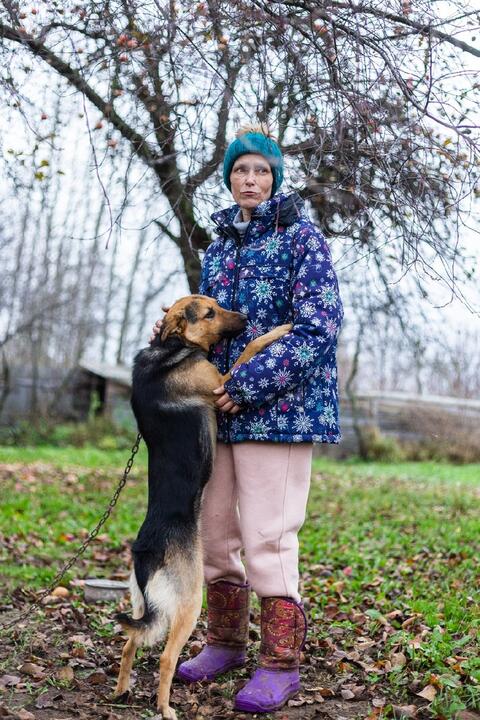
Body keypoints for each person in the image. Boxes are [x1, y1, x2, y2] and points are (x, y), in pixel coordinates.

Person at [152, 124, 343, 713]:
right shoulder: (222, 246)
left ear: (275, 177)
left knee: (267, 538)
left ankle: (281, 664)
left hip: (280, 412)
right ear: (230, 179)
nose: (250, 179)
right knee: (215, 535)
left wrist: (253, 384)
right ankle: (227, 642)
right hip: (219, 413)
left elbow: (319, 327)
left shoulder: (303, 239)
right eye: (240, 171)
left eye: (260, 170)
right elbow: (209, 332)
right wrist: (172, 349)